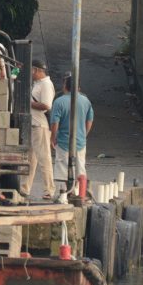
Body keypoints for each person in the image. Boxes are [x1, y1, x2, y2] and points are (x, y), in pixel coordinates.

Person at [50, 74, 94, 197]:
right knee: (80, 167)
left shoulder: (59, 102)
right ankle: (79, 194)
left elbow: (55, 123)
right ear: (78, 87)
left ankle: (64, 194)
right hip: (80, 141)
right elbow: (89, 121)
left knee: (63, 168)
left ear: (65, 86)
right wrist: (84, 134)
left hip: (63, 141)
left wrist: (53, 137)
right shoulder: (86, 101)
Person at [21, 59, 55, 199]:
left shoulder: (46, 84)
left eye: (32, 70)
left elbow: (46, 105)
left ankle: (49, 189)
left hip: (39, 125)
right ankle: (25, 187)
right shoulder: (37, 84)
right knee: (30, 159)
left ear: (36, 70)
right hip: (32, 124)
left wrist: (28, 103)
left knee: (44, 158)